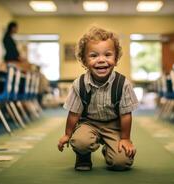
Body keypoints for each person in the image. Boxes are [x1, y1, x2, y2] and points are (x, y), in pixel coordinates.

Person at [57, 27, 138, 171]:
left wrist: (125, 138)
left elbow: (126, 115)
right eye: (94, 56)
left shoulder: (123, 84)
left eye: (108, 55)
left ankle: (109, 150)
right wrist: (67, 134)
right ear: (84, 60)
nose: (101, 60)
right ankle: (83, 156)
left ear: (116, 57)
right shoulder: (79, 84)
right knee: (80, 142)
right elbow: (74, 114)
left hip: (114, 125)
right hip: (88, 123)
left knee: (122, 163)